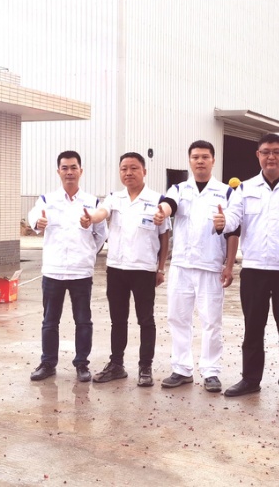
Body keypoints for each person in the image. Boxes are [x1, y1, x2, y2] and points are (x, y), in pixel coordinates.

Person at [213, 133, 279, 406]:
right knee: (253, 328)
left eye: (277, 152)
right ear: (258, 155)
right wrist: (223, 221)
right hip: (255, 270)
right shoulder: (245, 188)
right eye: (266, 152)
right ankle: (250, 379)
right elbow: (234, 218)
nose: (271, 157)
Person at [152, 140, 239, 392]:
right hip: (181, 265)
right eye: (195, 157)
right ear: (189, 160)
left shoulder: (226, 193)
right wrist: (162, 211)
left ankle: (211, 372)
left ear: (213, 160)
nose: (200, 161)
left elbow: (234, 231)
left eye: (205, 157)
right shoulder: (179, 189)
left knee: (211, 321)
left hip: (210, 267)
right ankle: (181, 369)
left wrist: (229, 265)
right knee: (177, 318)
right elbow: (169, 204)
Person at [87, 152, 171, 387]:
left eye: (134, 168)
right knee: (118, 320)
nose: (128, 173)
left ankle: (145, 367)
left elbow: (165, 236)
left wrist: (161, 268)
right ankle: (117, 365)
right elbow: (102, 213)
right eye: (124, 168)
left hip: (144, 269)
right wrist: (92, 218)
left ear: (144, 171)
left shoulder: (157, 200)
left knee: (146, 320)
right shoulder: (114, 198)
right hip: (116, 268)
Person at [28, 150, 107, 383]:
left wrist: (87, 254)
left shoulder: (92, 202)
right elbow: (34, 217)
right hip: (53, 271)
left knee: (83, 321)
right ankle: (48, 363)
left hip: (81, 272)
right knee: (49, 321)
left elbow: (101, 235)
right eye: (65, 168)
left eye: (73, 167)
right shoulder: (47, 200)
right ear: (58, 171)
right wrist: (38, 222)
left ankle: (82, 364)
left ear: (81, 171)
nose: (69, 172)